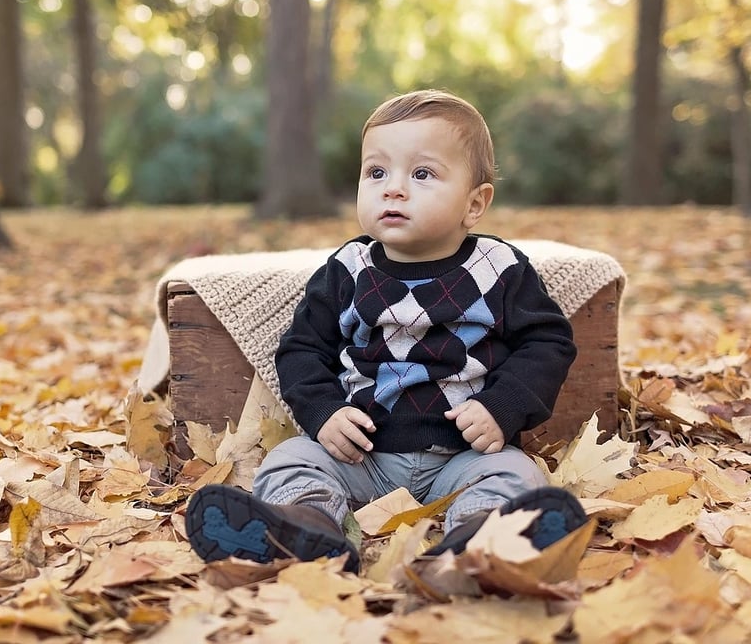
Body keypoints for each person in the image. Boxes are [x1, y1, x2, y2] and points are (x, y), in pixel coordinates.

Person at [185, 89, 587, 573]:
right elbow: (301, 349)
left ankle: (480, 536)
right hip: (362, 457)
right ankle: (308, 526)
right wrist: (324, 412)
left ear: (474, 204)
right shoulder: (348, 269)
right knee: (291, 458)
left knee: (514, 474)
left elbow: (548, 342)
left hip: (464, 456)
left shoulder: (498, 268)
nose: (393, 189)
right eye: (376, 172)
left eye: (422, 174)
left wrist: (501, 408)